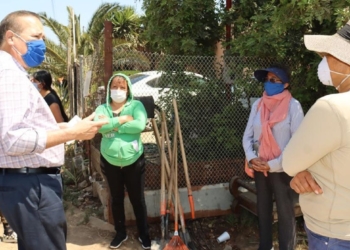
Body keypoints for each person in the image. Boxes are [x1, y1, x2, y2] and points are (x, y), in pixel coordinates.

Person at [0, 10, 107, 250]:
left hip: (29, 182)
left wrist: (70, 126)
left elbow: (23, 128)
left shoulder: (13, 74)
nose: (42, 43)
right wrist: (73, 133)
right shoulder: (9, 76)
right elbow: (13, 139)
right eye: (36, 36)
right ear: (11, 38)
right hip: (31, 184)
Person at [283, 20, 350, 250]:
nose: (324, 62)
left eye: (329, 55)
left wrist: (302, 168)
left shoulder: (331, 107)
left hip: (335, 235)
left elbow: (290, 161)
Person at [242, 65, 304, 250]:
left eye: (274, 80)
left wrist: (273, 165)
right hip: (260, 167)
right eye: (266, 79)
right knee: (263, 209)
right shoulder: (258, 105)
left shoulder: (294, 106)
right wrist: (252, 159)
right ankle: (265, 246)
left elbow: (297, 143)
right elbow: (248, 136)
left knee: (286, 213)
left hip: (282, 168)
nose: (268, 83)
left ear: (285, 84)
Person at [94, 73, 151, 249]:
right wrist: (122, 120)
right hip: (110, 162)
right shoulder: (102, 109)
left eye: (122, 87)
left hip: (134, 161)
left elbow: (139, 125)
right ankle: (120, 233)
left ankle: (144, 234)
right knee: (116, 198)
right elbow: (99, 126)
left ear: (128, 90)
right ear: (109, 88)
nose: (118, 91)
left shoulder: (136, 105)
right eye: (115, 87)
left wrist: (112, 125)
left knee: (137, 199)